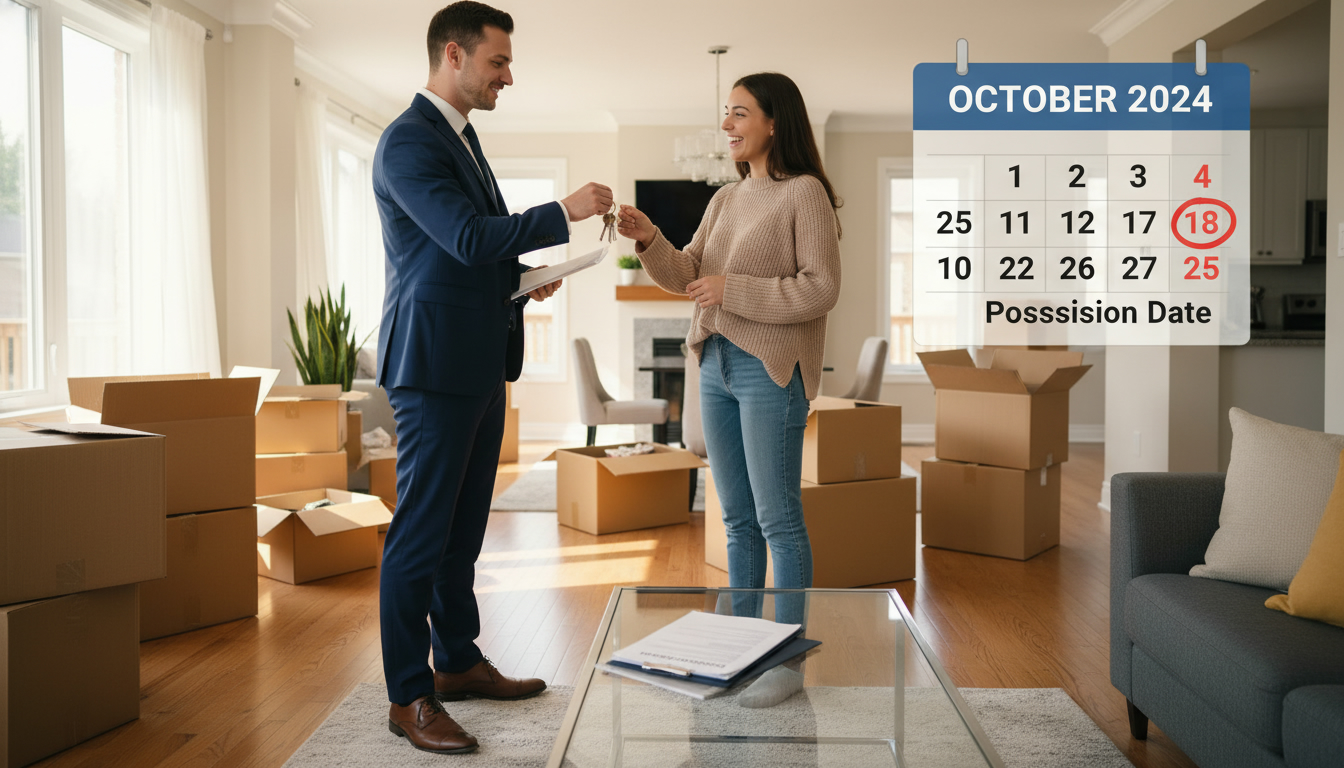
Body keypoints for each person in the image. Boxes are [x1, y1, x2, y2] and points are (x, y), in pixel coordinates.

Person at [372, 1, 612, 754]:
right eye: (498, 62)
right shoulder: (409, 142)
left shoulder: (461, 141)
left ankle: (459, 662)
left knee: (461, 533)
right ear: (454, 54)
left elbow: (465, 256)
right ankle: (408, 694)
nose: (509, 75)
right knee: (420, 533)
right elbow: (467, 236)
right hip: (434, 365)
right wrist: (562, 212)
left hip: (474, 357)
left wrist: (520, 277)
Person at [616, 72, 842, 708]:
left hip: (770, 369)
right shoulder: (725, 199)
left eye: (740, 113)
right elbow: (687, 272)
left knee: (778, 521)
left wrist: (732, 290)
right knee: (736, 520)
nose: (727, 124)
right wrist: (649, 238)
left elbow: (821, 288)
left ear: (775, 122)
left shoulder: (806, 196)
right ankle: (739, 652)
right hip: (712, 365)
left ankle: (787, 663)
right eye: (726, 112)